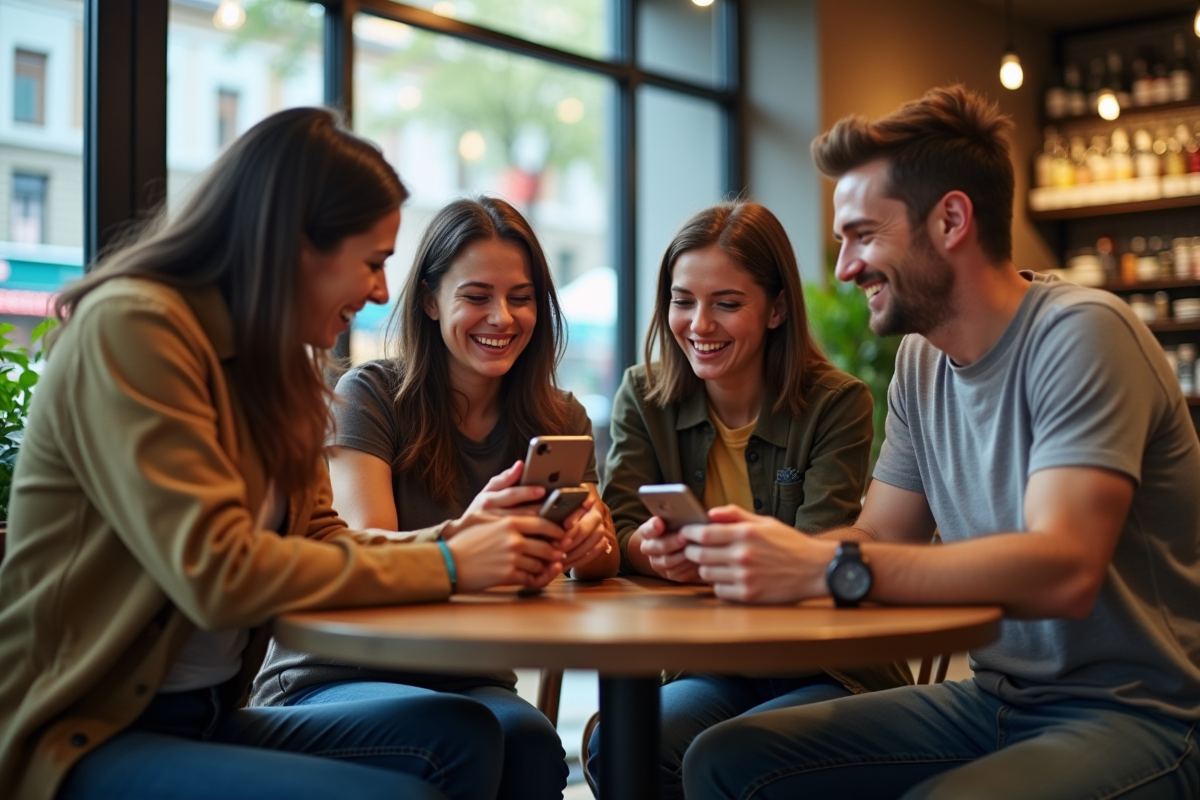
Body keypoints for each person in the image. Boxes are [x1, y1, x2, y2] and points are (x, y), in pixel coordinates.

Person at [0, 108, 572, 800]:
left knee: (471, 735)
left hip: (207, 719)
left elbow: (325, 538)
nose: (380, 292)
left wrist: (459, 538)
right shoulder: (135, 329)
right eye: (372, 261)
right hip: (87, 734)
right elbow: (216, 569)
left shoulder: (276, 369)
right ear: (294, 245)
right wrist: (451, 562)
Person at [679, 85, 1200, 800]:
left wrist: (821, 566)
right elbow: (879, 536)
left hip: (1143, 714)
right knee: (726, 758)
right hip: (995, 698)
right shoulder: (923, 364)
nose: (843, 268)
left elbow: (1064, 569)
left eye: (862, 234)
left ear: (951, 219)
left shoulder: (1081, 333)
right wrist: (756, 559)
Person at [251, 195, 620, 800]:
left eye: (521, 298)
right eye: (476, 297)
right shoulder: (371, 393)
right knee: (466, 733)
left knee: (528, 744)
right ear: (429, 300)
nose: (501, 317)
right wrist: (465, 540)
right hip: (336, 672)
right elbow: (364, 549)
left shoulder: (558, 414)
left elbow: (596, 567)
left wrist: (590, 541)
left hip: (470, 674)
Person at [587, 201, 911, 800]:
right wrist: (650, 551)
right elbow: (624, 525)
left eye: (727, 304)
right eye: (683, 301)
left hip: (825, 667)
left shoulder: (836, 403)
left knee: (728, 753)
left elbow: (819, 557)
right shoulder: (644, 394)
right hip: (713, 665)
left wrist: (726, 558)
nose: (699, 324)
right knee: (625, 742)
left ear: (777, 309)